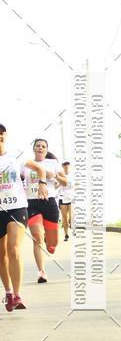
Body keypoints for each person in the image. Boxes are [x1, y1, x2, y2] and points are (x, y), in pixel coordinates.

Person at [0, 124, 48, 311]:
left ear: (5, 136)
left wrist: (42, 183)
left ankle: (18, 295)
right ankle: (8, 292)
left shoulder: (15, 155)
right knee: (1, 256)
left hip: (17, 207)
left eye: (1, 136)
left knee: (13, 250)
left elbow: (39, 169)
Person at [22, 139, 67, 283]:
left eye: (43, 146)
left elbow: (65, 182)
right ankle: (42, 272)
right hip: (32, 203)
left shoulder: (53, 164)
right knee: (37, 236)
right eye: (38, 146)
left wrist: (54, 176)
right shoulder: (26, 165)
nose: (40, 148)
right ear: (34, 148)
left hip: (49, 202)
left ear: (46, 150)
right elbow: (18, 180)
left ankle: (50, 242)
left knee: (53, 243)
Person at [58, 161, 73, 241]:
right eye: (64, 164)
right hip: (62, 197)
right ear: (62, 166)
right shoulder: (59, 175)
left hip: (72, 197)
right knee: (64, 217)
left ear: (69, 165)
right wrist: (60, 183)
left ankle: (72, 223)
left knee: (72, 215)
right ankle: (66, 234)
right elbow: (55, 186)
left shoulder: (73, 175)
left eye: (68, 164)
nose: (66, 165)